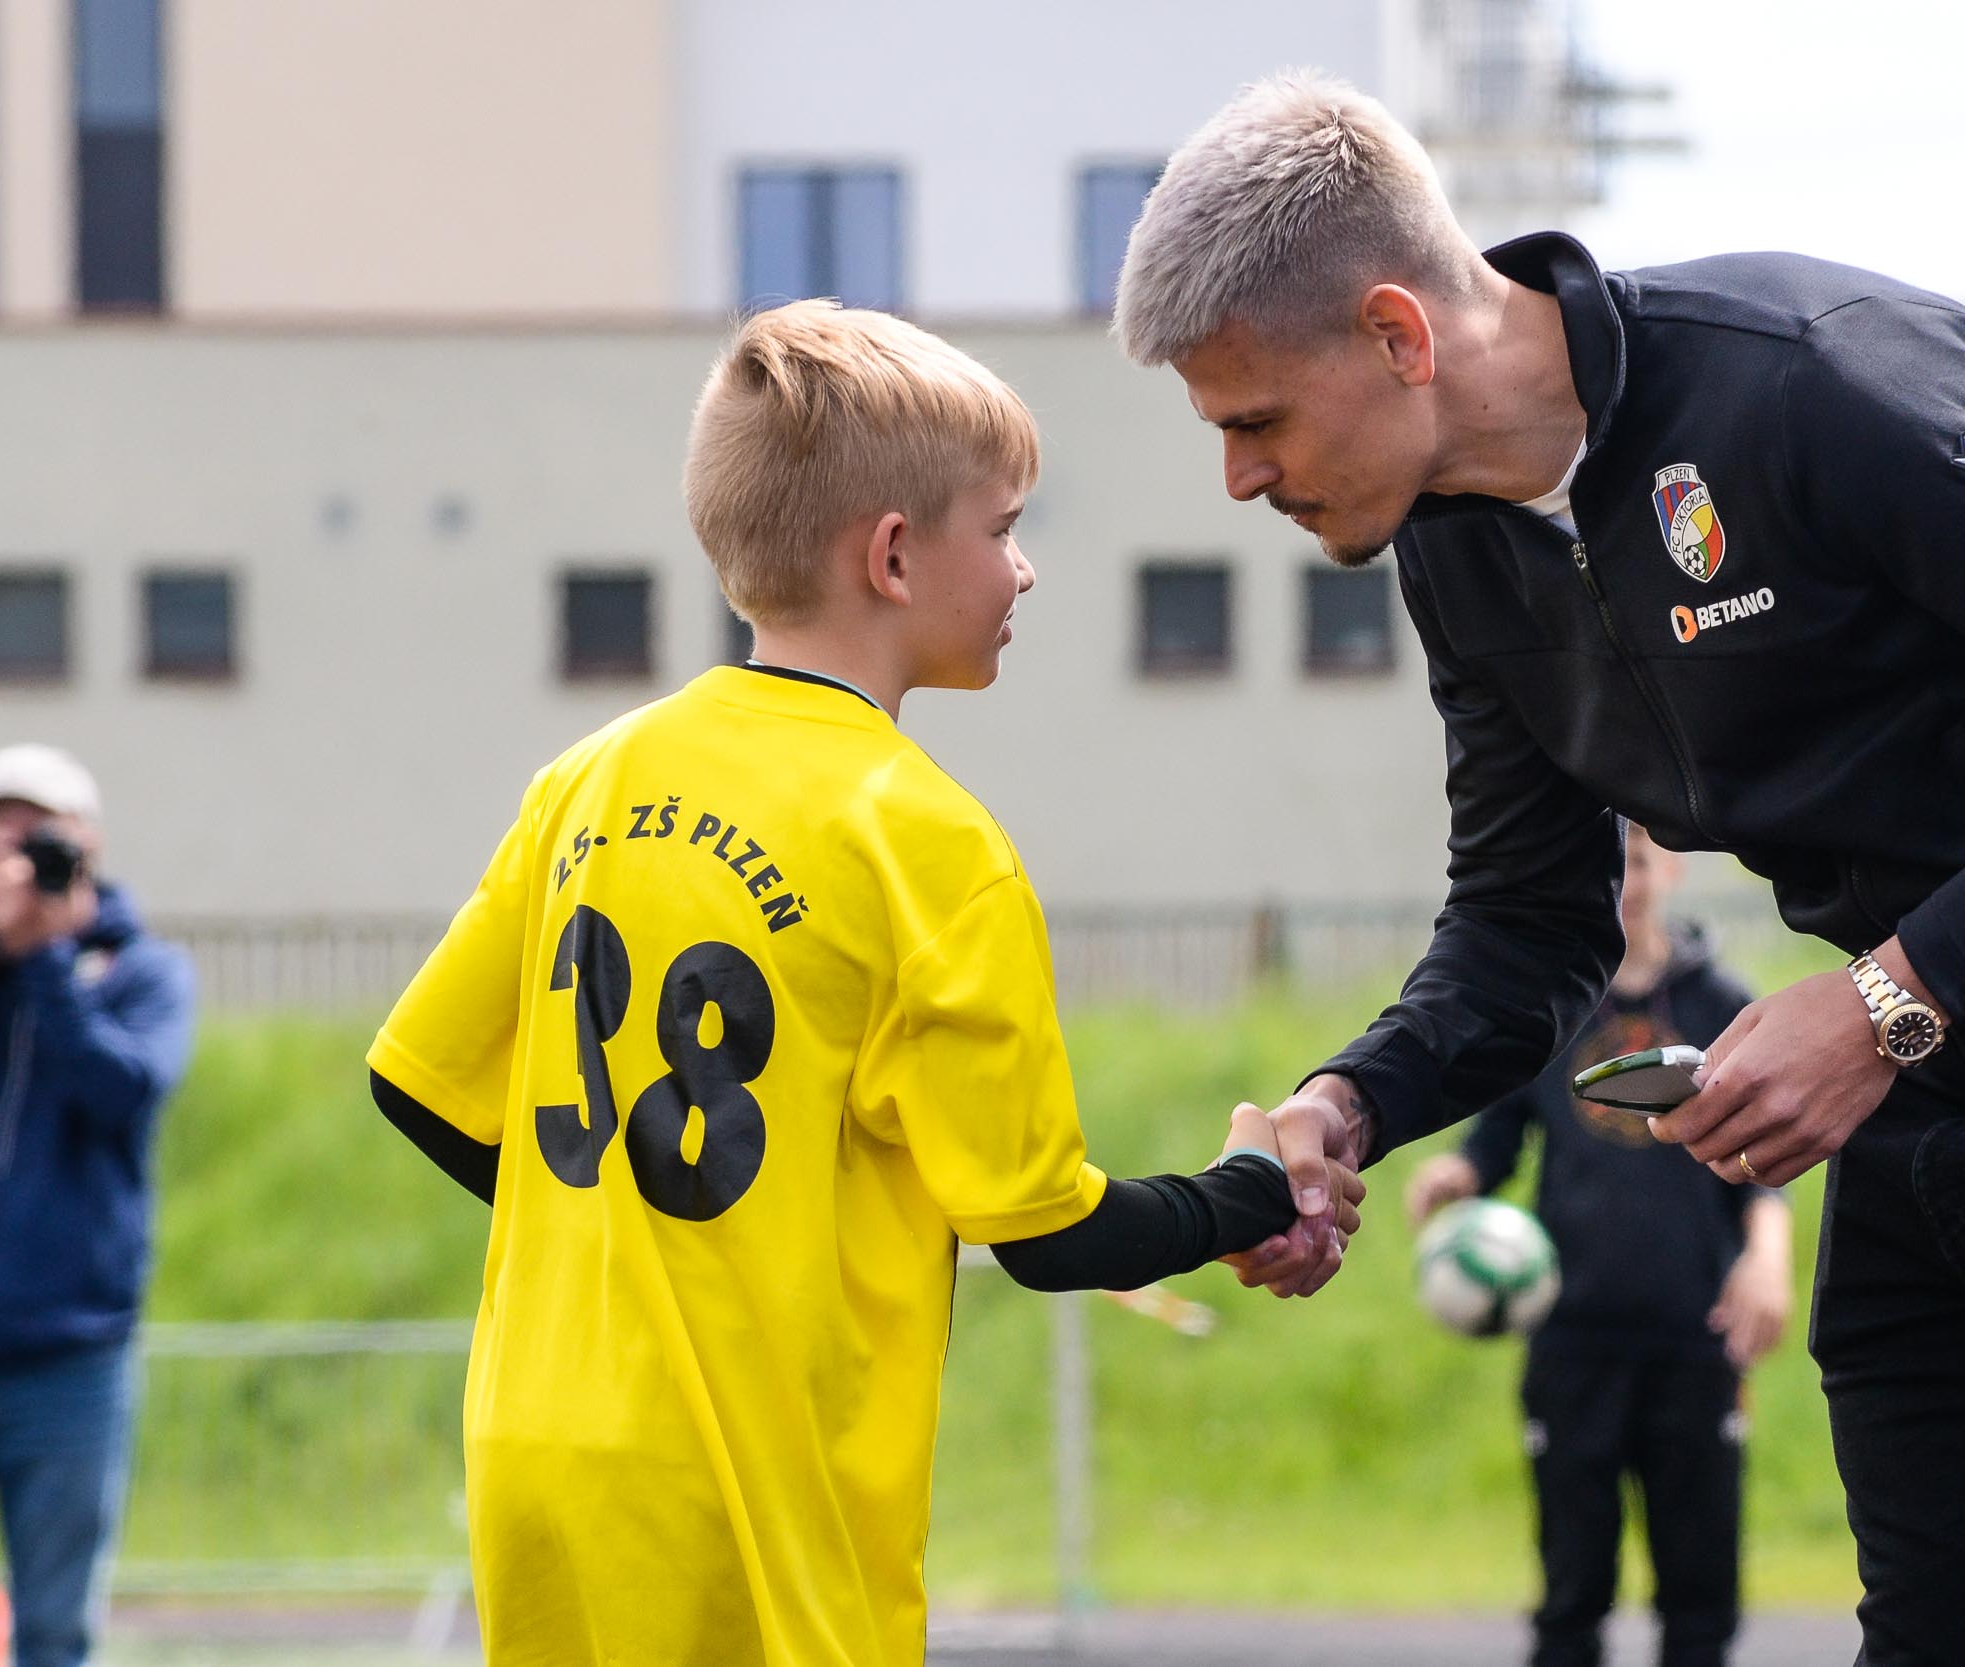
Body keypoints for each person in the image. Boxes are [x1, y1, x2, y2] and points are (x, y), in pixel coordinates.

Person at [1114, 73, 1965, 1664]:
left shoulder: (1813, 382)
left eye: (1253, 421)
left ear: (1396, 333)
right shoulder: (1456, 541)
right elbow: (1529, 919)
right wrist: (1339, 1109)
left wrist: (1885, 1004)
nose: (1240, 478)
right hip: (1930, 1078)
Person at [365, 301, 1355, 1667]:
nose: (1023, 570)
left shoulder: (586, 782)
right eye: (1005, 527)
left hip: (543, 1447)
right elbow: (1049, 1229)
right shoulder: (927, 841)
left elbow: (417, 1083)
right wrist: (1251, 1188)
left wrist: (650, 1251)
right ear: (893, 554)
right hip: (757, 1492)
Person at [1406, 824, 1790, 1667]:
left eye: (1639, 860)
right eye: (1607, 860)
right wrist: (1454, 1178)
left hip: (1697, 1337)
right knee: (1571, 1593)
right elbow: (1495, 1142)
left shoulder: (1722, 1004)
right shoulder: (1553, 1008)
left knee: (1700, 1598)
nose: (1625, 879)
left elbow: (1765, 1161)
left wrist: (1768, 1258)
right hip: (1572, 1339)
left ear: (1671, 867)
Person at [0, 744, 196, 1667]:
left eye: (42, 837)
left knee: (56, 1624)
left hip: (71, 1353)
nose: (21, 859)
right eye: (0, 836)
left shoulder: (143, 972)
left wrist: (48, 964)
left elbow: (124, 1089)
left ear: (88, 846)